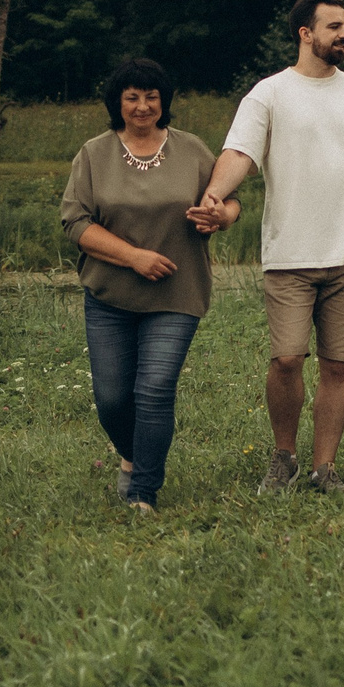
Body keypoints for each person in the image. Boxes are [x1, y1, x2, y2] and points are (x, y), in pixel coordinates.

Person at [198, 0, 344, 496]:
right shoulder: (269, 94)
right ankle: (284, 457)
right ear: (305, 33)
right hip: (289, 252)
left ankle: (324, 468)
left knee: (337, 364)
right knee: (287, 359)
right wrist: (213, 198)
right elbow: (240, 153)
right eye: (334, 26)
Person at [59, 57, 215, 513]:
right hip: (109, 297)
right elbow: (75, 222)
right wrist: (134, 257)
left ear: (164, 101)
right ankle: (130, 456)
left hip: (177, 293)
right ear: (118, 102)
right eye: (132, 97)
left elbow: (228, 202)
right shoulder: (94, 154)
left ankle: (143, 492)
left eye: (151, 96)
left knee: (155, 389)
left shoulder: (192, 150)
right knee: (111, 398)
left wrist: (221, 217)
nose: (143, 106)